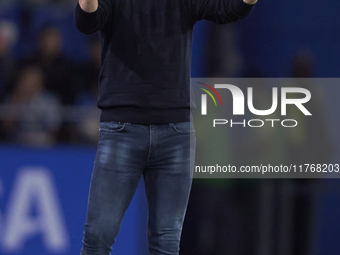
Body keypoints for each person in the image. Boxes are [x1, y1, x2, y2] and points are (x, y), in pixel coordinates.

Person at [74, 0, 257, 254]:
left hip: (176, 133)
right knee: (97, 236)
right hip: (122, 129)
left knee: (166, 243)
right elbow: (87, 21)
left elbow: (228, 9)